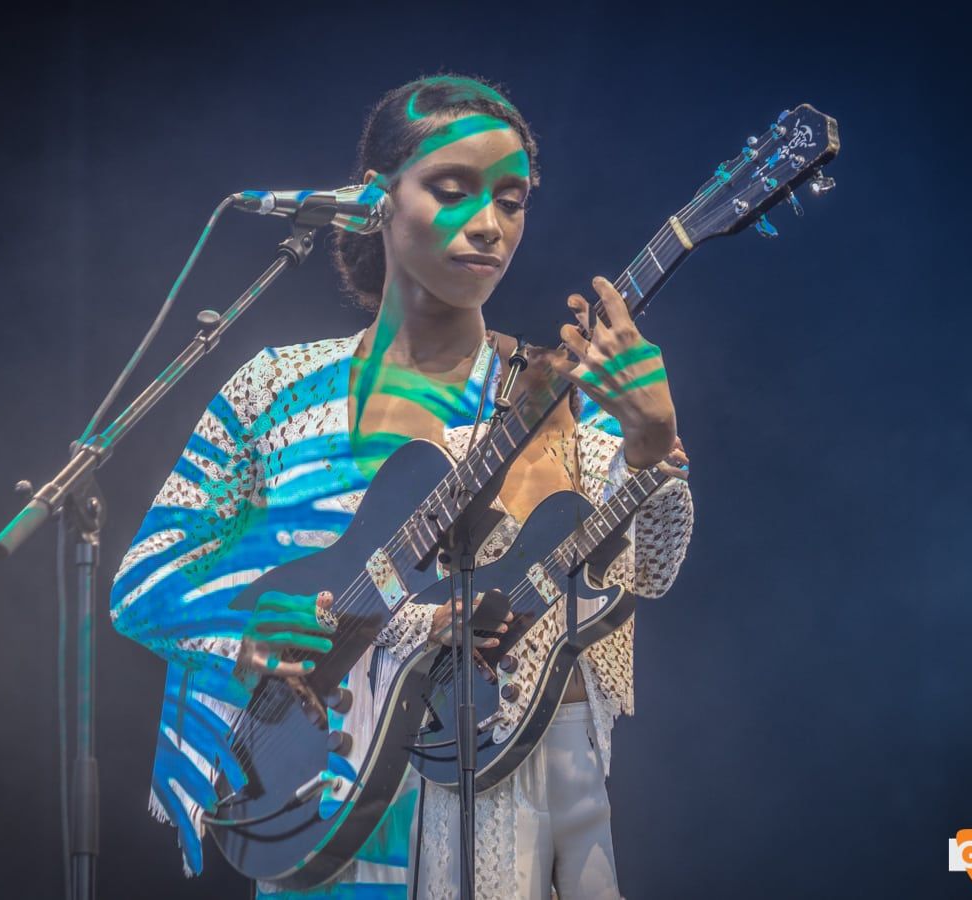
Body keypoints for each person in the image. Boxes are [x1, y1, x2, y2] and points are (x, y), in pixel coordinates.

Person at [109, 73, 693, 899]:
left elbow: (641, 575)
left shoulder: (554, 400)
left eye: (512, 200)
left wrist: (652, 442)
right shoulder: (274, 387)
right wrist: (244, 635)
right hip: (307, 819)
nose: (488, 224)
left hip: (484, 820)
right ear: (377, 201)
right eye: (452, 192)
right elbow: (144, 583)